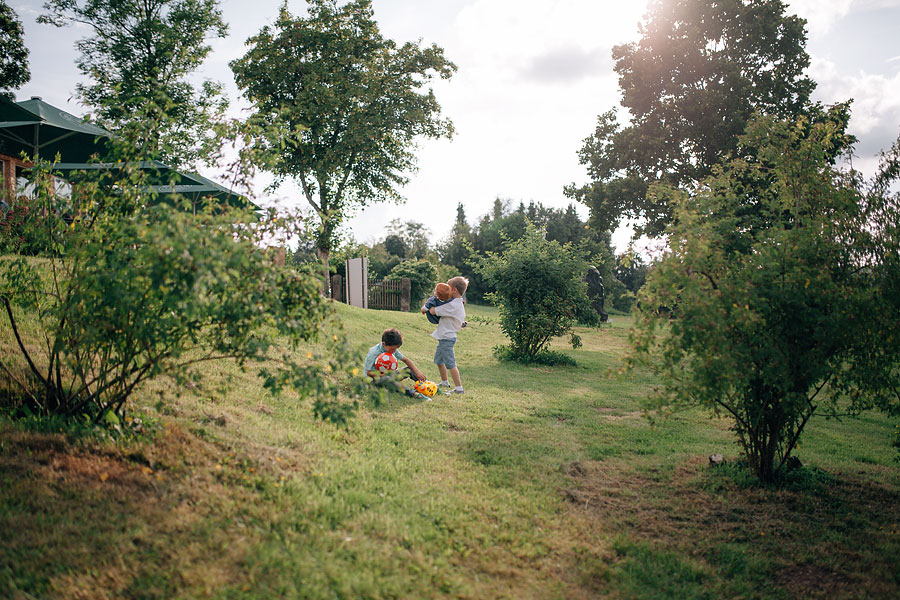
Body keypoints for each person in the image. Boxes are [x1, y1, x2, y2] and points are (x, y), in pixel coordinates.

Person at [422, 276, 467, 394]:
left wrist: (432, 302)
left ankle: (459, 388)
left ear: (454, 290)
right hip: (444, 337)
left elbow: (433, 311)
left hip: (447, 338)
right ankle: (444, 382)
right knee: (439, 361)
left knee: (451, 364)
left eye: (447, 288)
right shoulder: (456, 303)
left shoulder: (452, 305)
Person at [364, 328, 427, 398]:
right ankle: (414, 394)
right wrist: (384, 375)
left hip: (390, 376)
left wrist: (417, 372)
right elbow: (368, 373)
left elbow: (406, 360)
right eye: (392, 349)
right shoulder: (374, 352)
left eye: (395, 349)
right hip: (374, 381)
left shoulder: (392, 350)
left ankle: (428, 386)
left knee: (409, 369)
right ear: (384, 344)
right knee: (387, 379)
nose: (394, 351)